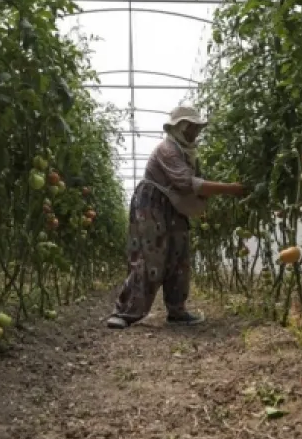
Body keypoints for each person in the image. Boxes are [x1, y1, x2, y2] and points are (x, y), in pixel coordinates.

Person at [106, 105, 247, 329]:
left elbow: (196, 184)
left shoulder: (188, 153)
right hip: (152, 204)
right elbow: (188, 183)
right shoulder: (167, 150)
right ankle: (124, 312)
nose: (195, 132)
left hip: (173, 206)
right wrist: (232, 189)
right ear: (180, 127)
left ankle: (177, 310)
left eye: (197, 127)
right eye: (191, 127)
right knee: (150, 255)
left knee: (179, 254)